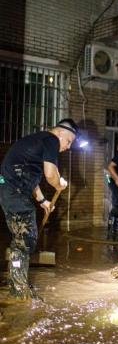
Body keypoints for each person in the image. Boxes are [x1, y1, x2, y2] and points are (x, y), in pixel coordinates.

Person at [0, 118, 78, 299]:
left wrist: (43, 201)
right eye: (69, 141)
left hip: (11, 190)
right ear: (60, 133)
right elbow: (51, 175)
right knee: (25, 239)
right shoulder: (50, 139)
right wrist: (59, 184)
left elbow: (29, 176)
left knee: (21, 239)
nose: (68, 147)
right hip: (13, 191)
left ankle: (15, 283)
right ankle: (19, 291)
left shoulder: (38, 141)